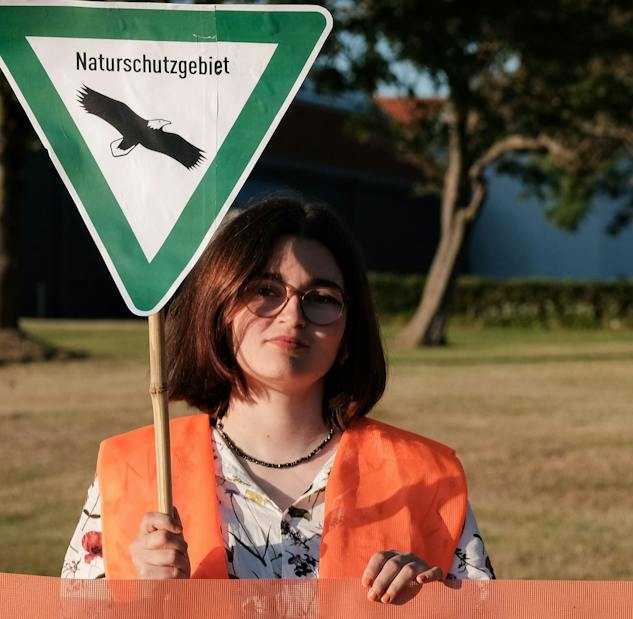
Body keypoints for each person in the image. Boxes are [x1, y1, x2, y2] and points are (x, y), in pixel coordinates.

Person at [61, 194, 493, 597]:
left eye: (320, 297)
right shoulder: (132, 470)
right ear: (219, 309)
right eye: (265, 290)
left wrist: (436, 609)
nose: (293, 315)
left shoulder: (426, 477)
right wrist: (139, 601)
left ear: (346, 334)